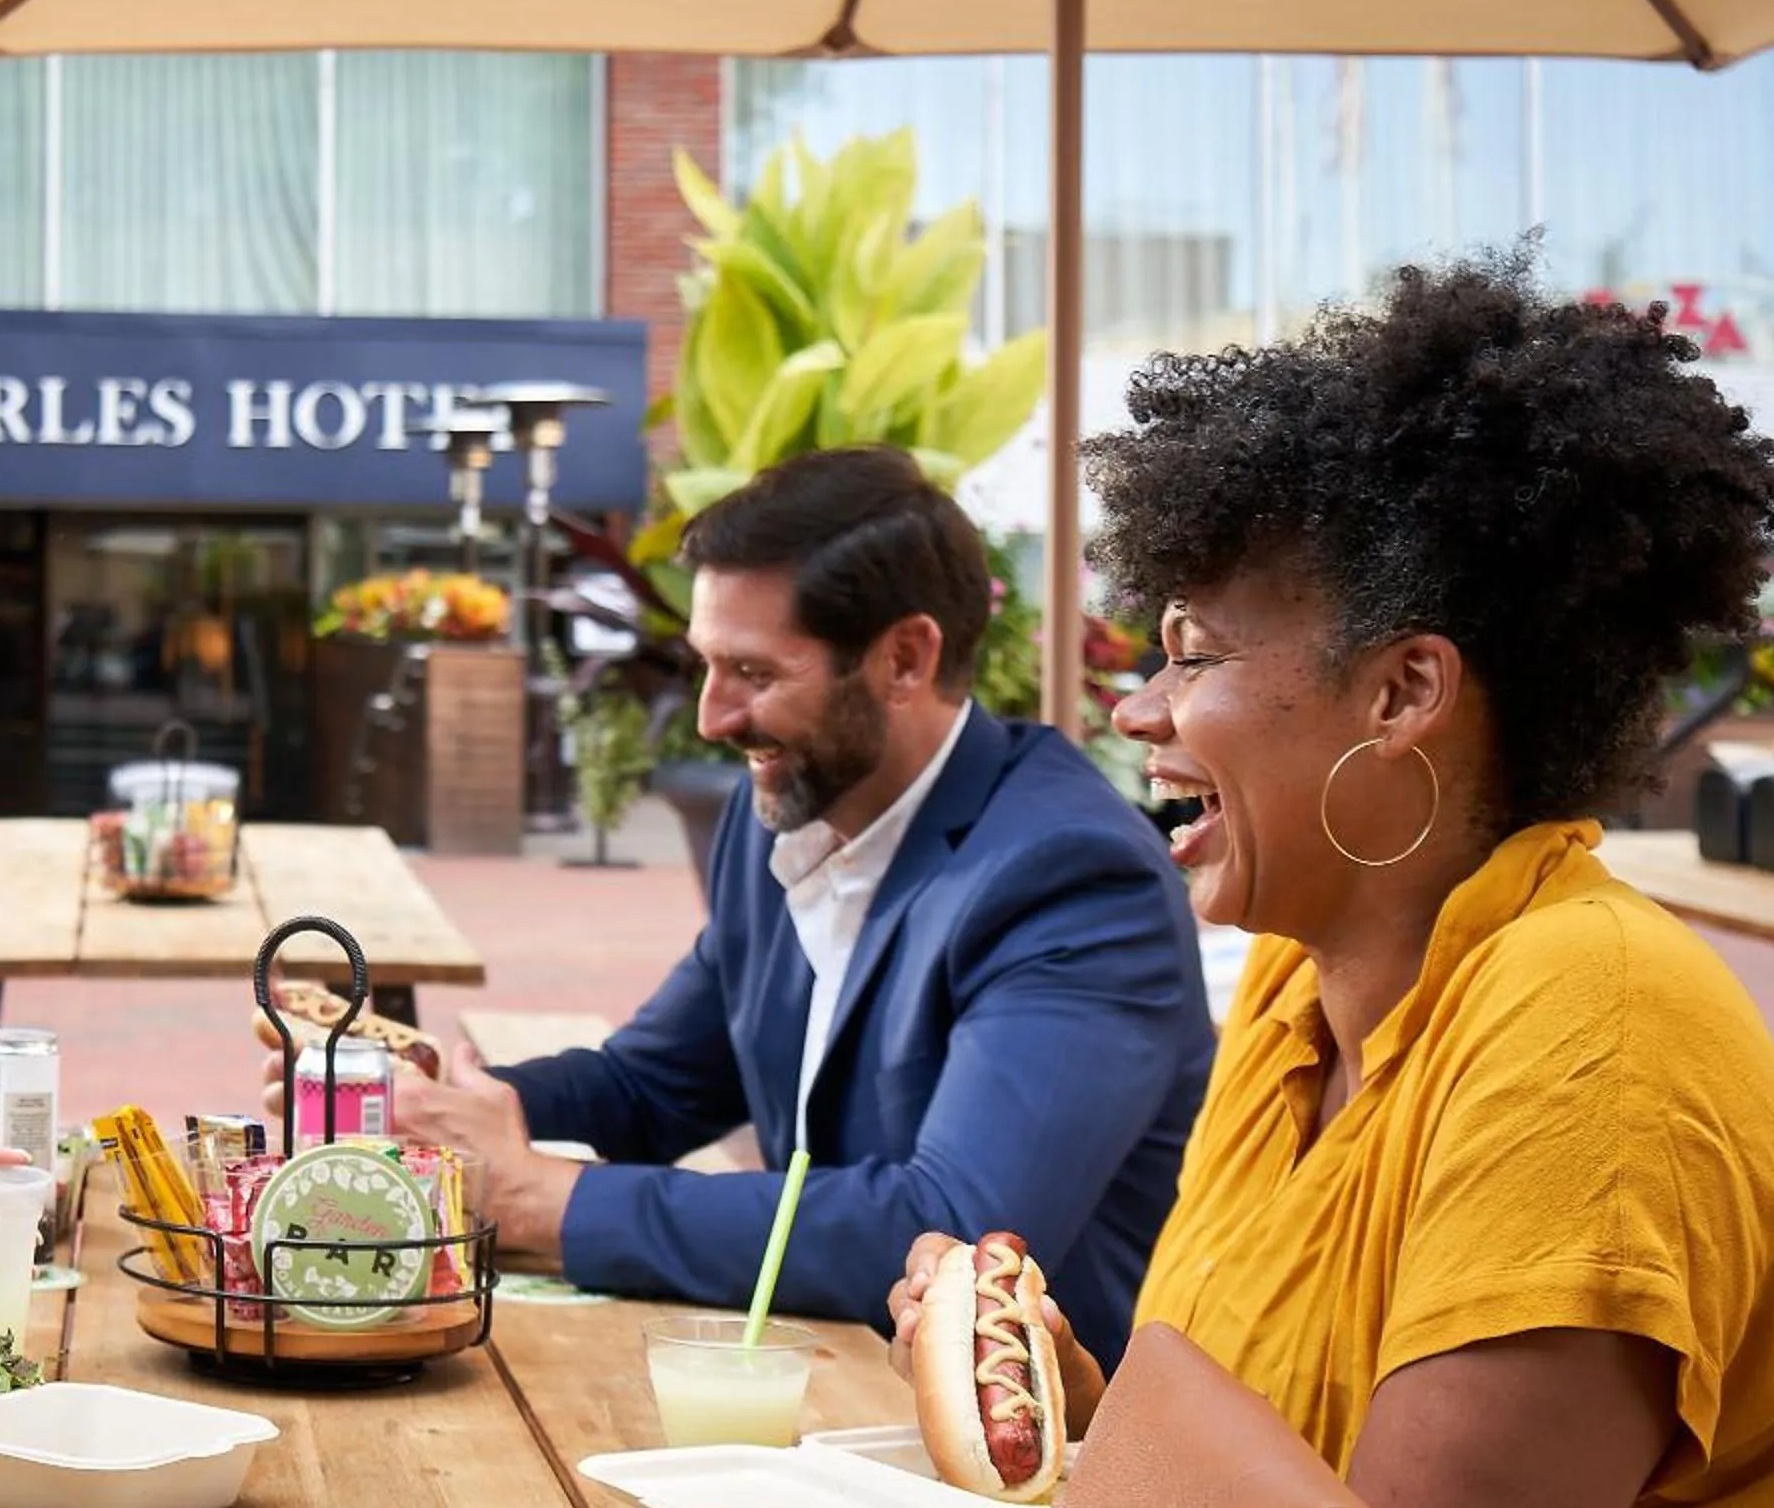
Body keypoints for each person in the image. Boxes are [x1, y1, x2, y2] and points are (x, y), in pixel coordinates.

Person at [894, 257, 1774, 1508]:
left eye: (1193, 655)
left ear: (1407, 693)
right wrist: (1069, 1409)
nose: (1140, 707)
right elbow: (1279, 1504)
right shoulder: (1306, 991)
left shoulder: (1587, 1026)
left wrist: (1107, 1507)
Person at [395, 447, 1209, 1365]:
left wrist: (548, 1200)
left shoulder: (1072, 874)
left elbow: (954, 1232)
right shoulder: (789, 806)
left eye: (753, 672)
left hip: (1025, 1463)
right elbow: (655, 1085)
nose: (712, 717)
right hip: (823, 1392)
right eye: (705, 665)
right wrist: (429, 1106)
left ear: (905, 658)